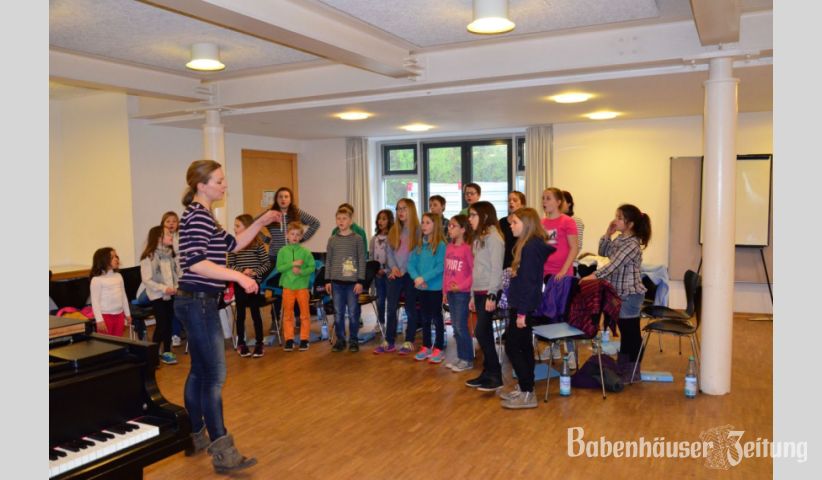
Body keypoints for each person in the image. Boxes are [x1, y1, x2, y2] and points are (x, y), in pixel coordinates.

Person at [175, 159, 280, 473]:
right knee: (213, 378)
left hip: (196, 301)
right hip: (198, 303)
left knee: (199, 373)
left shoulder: (205, 217)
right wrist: (237, 276)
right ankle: (223, 451)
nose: (224, 185)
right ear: (201, 185)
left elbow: (232, 244)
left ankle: (195, 436)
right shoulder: (196, 218)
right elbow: (195, 263)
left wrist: (260, 222)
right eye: (219, 181)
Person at [582, 204, 651, 383]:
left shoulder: (633, 244)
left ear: (630, 224)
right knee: (625, 332)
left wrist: (593, 276)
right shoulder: (620, 240)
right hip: (620, 293)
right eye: (616, 216)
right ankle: (624, 367)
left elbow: (614, 265)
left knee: (631, 333)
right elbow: (603, 252)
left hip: (630, 295)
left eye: (619, 218)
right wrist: (607, 234)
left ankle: (633, 371)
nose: (615, 220)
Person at [500, 208, 554, 409]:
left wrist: (522, 312)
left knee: (513, 346)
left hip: (523, 306)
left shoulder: (531, 248)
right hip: (521, 304)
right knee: (522, 347)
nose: (511, 226)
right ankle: (525, 388)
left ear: (527, 224)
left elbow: (530, 283)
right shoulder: (527, 245)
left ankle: (528, 393)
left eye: (514, 223)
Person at [265, 187, 320, 332]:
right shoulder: (271, 215)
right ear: (276, 199)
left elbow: (315, 223)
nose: (283, 199)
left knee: (295, 286)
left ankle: (296, 318)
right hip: (276, 257)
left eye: (286, 196)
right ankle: (275, 320)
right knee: (277, 290)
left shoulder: (296, 213)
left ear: (290, 199)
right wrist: (265, 239)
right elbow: (254, 224)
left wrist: (302, 239)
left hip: (295, 257)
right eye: (280, 197)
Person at [464, 201, 505, 392]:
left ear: (485, 216)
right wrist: (472, 295)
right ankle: (487, 373)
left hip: (489, 292)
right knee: (484, 332)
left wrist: (492, 294)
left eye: (473, 215)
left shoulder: (495, 238)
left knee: (481, 332)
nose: (470, 219)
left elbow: (497, 269)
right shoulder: (479, 238)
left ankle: (496, 374)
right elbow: (476, 270)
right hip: (479, 291)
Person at [373, 198, 421, 355]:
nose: (400, 212)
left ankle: (409, 340)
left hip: (410, 274)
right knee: (391, 307)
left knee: (410, 308)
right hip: (394, 274)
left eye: (404, 209)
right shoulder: (394, 230)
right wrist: (393, 267)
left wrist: (403, 269)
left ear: (411, 210)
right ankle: (389, 340)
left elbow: (415, 254)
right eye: (398, 209)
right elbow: (389, 251)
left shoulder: (418, 231)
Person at [541, 187, 580, 365]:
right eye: (543, 198)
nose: (544, 201)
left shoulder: (567, 221)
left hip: (563, 275)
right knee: (550, 313)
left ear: (558, 202)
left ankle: (571, 353)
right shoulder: (541, 223)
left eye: (548, 198)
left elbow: (574, 248)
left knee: (565, 314)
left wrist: (564, 271)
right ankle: (554, 346)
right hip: (545, 275)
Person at [228, 214, 271, 358]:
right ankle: (241, 343)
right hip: (240, 285)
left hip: (253, 285)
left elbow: (266, 264)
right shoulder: (234, 245)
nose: (234, 228)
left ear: (247, 227)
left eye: (237, 225)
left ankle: (259, 343)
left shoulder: (257, 244)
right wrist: (242, 272)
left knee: (255, 313)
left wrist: (254, 272)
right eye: (234, 225)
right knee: (240, 314)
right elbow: (230, 265)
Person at [324, 205, 366, 352]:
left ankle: (353, 340)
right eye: (338, 218)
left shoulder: (357, 239)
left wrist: (360, 281)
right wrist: (327, 280)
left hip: (352, 283)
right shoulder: (332, 240)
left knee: (354, 313)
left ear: (350, 221)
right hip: (336, 283)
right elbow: (328, 260)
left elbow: (362, 260)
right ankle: (340, 340)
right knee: (338, 313)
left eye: (344, 218)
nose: (341, 221)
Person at [408, 213, 447, 364]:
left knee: (437, 318)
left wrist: (423, 278)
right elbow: (411, 264)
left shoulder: (441, 246)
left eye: (427, 223)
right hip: (421, 287)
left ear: (435, 225)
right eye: (422, 222)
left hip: (435, 288)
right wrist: (417, 278)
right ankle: (426, 346)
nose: (423, 225)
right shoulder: (419, 245)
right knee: (424, 318)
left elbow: (440, 267)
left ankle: (438, 347)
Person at [139, 225, 180, 365]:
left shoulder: (170, 255)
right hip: (157, 295)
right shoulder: (148, 257)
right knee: (162, 324)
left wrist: (175, 287)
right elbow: (147, 280)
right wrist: (164, 288)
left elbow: (175, 274)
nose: (171, 237)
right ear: (159, 238)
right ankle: (153, 354)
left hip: (170, 294)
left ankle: (167, 351)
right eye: (168, 235)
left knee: (168, 324)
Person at [276, 221, 316, 352]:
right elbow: (279, 268)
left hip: (302, 287)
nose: (295, 237)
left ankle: (304, 339)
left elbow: (312, 267)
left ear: (301, 237)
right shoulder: (282, 251)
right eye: (292, 234)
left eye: (298, 235)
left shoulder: (305, 252)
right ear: (287, 235)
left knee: (304, 314)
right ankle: (289, 339)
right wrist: (292, 264)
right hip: (287, 287)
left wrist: (301, 272)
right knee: (288, 314)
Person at [443, 214, 474, 372]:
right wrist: (444, 291)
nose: (449, 228)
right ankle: (461, 357)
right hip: (451, 293)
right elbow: (446, 272)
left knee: (461, 326)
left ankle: (467, 359)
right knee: (455, 326)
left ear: (462, 229)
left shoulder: (467, 248)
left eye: (453, 226)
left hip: (462, 293)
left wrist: (460, 286)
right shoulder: (449, 247)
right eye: (449, 225)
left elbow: (473, 273)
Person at [89, 247, 131, 337]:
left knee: (118, 342)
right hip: (105, 317)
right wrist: (99, 320)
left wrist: (127, 314)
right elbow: (95, 302)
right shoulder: (97, 280)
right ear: (103, 260)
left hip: (119, 315)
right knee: (107, 344)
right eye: (112, 257)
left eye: (116, 256)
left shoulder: (118, 276)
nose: (116, 259)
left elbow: (123, 296)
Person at [161, 211, 185, 348]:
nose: (171, 224)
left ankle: (175, 334)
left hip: (178, 279)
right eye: (168, 221)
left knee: (176, 307)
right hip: (163, 282)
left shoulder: (181, 237)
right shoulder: (160, 239)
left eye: (174, 221)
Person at [369, 209, 394, 334]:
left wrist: (386, 270)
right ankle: (380, 323)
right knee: (380, 300)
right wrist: (375, 270)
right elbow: (372, 257)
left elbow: (394, 256)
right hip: (378, 274)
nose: (381, 221)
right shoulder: (374, 239)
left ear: (389, 221)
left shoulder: (393, 237)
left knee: (391, 300)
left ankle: (391, 324)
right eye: (379, 218)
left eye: (384, 219)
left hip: (389, 273)